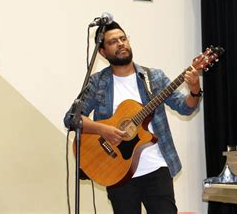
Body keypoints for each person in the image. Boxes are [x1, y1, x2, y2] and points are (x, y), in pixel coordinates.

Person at [63, 21, 202, 214]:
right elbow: (71, 118)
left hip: (156, 168)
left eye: (123, 38)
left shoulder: (154, 77)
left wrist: (194, 89)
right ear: (102, 52)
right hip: (117, 171)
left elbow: (185, 108)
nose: (121, 43)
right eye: (113, 41)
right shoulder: (98, 82)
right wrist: (105, 130)